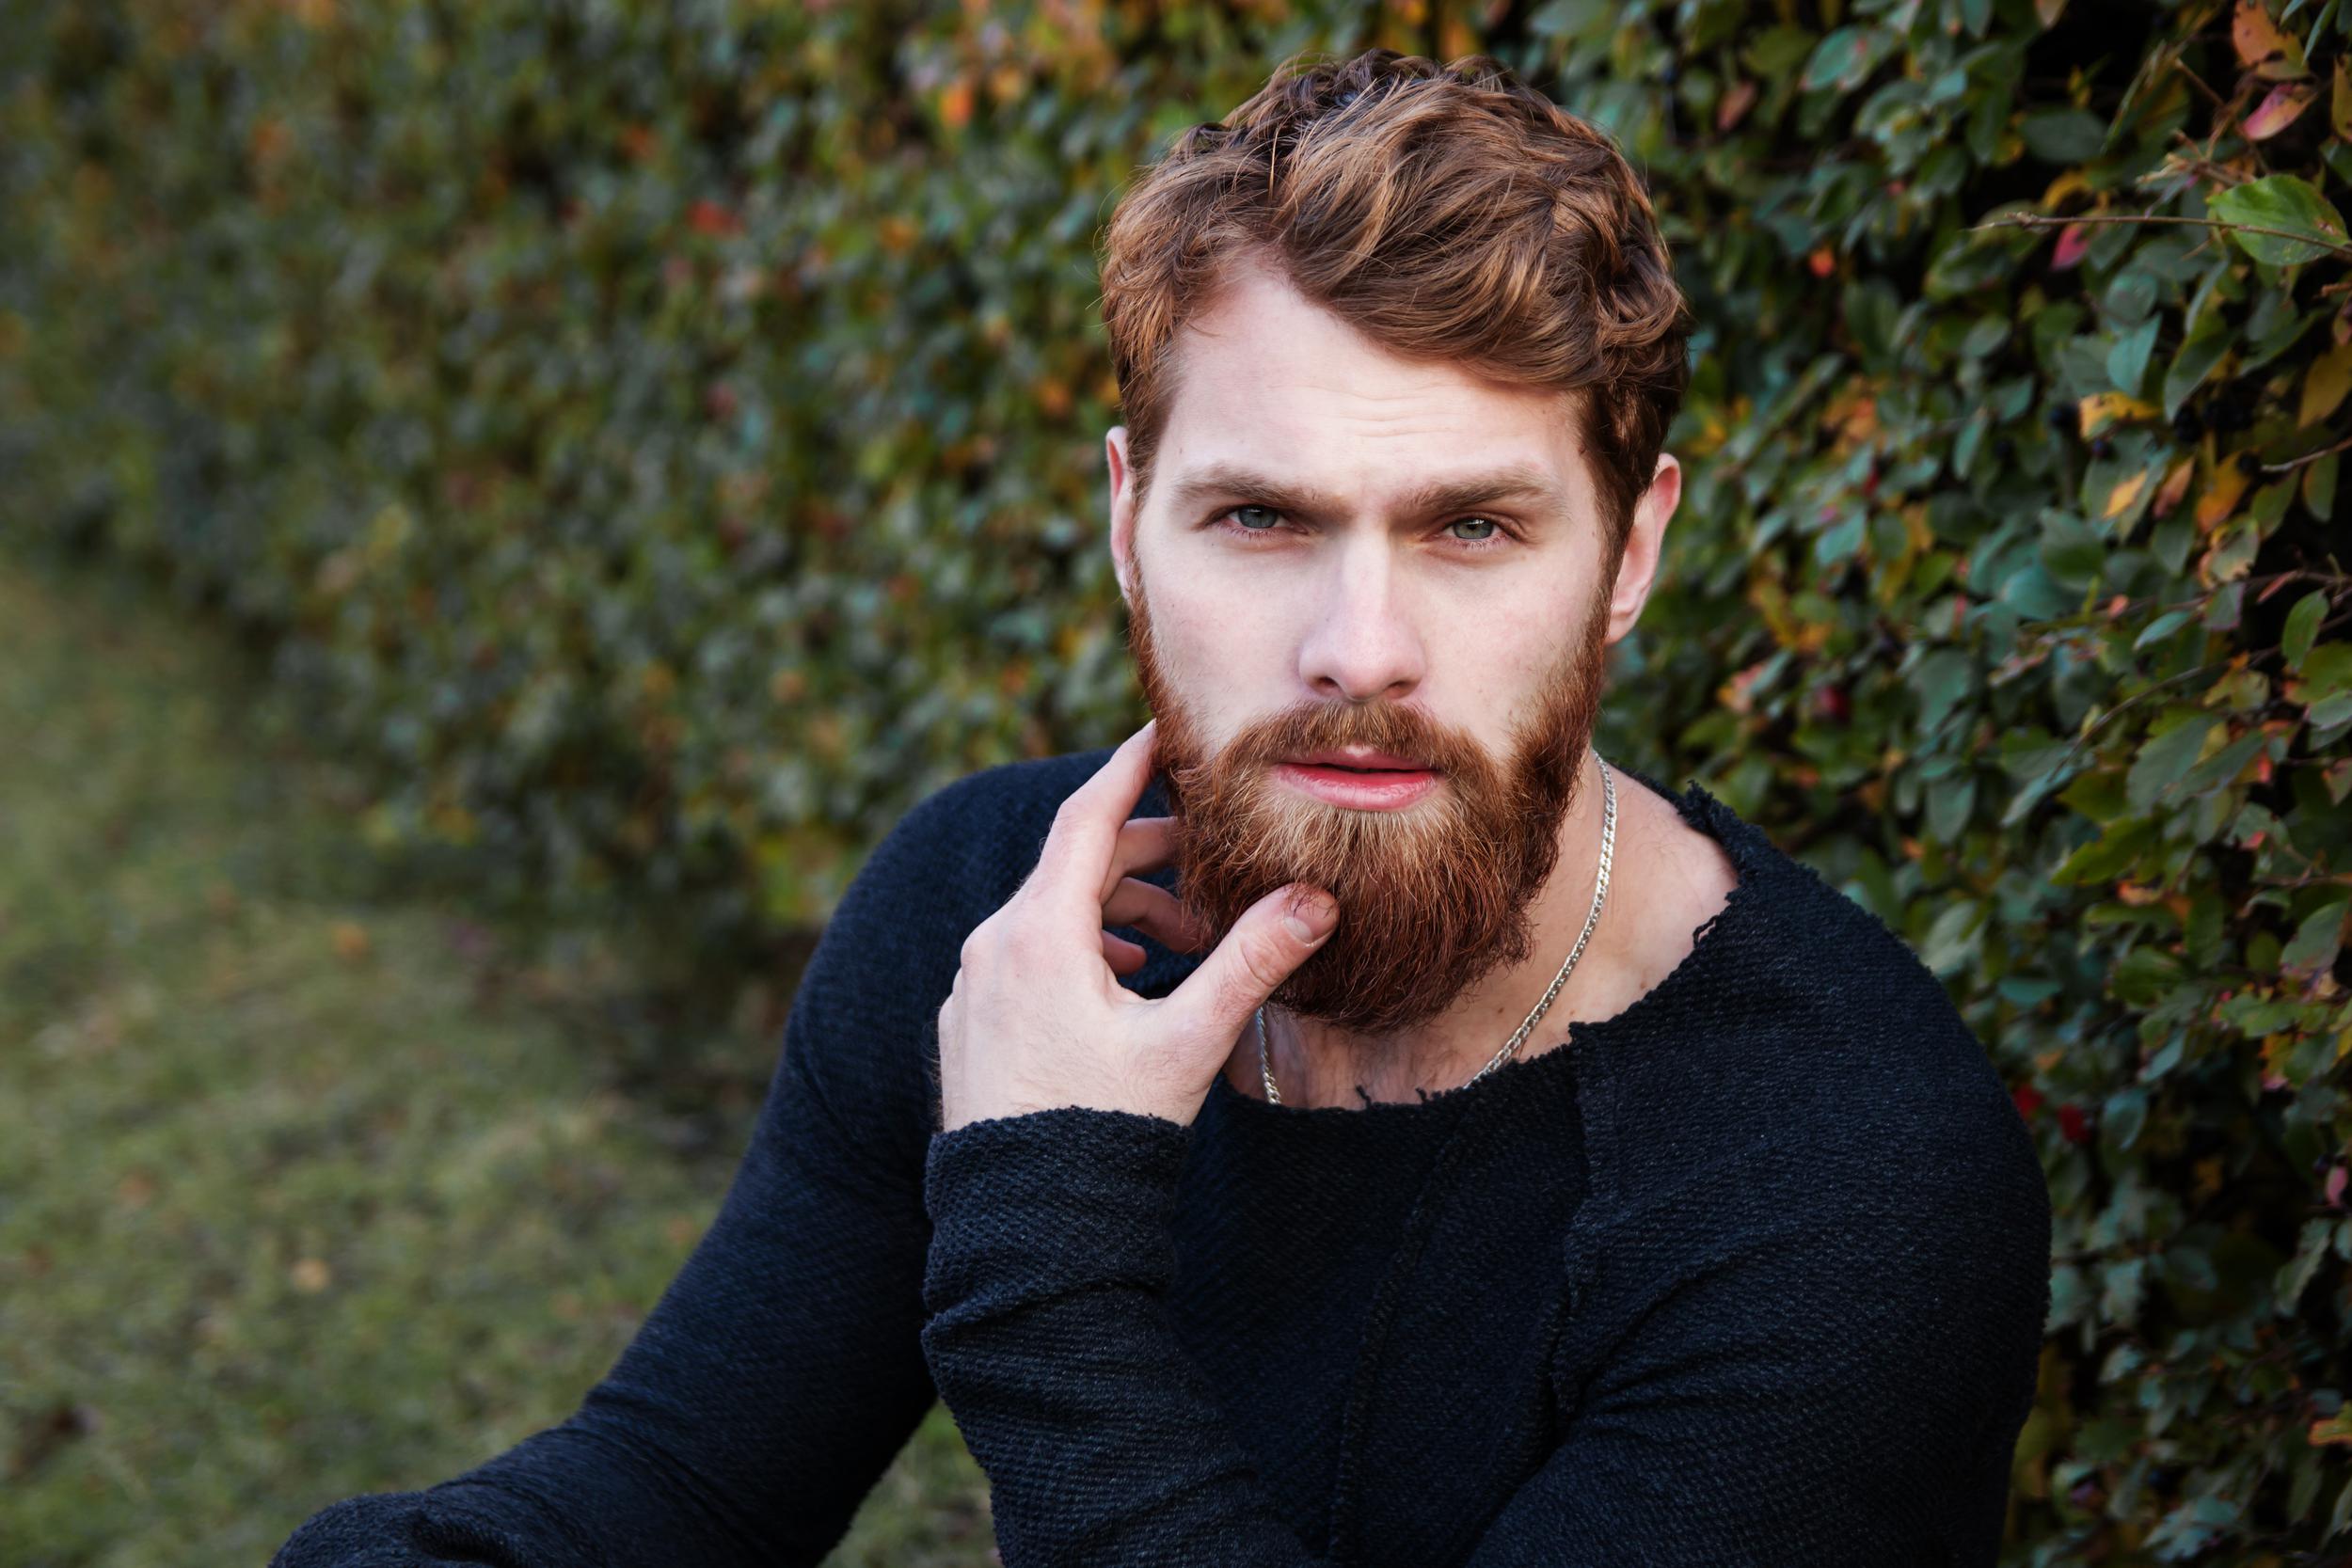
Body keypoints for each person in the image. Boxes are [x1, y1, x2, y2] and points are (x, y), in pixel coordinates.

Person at [273, 47, 2051, 1568]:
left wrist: (1049, 1220)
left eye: (1473, 527)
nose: (1364, 651)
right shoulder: (998, 912)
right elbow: (671, 1489)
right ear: (1131, 520)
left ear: (1631, 549)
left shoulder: (1845, 1174)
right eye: (1262, 518)